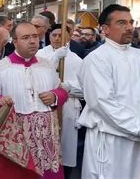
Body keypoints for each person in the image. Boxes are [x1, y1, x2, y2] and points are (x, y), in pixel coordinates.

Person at [0, 22, 68, 178]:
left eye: (35, 36)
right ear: (15, 42)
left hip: (46, 135)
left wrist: (55, 96)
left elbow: (62, 91)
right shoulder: (0, 68)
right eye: (26, 38)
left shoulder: (47, 65)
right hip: (17, 133)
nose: (33, 41)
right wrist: (0, 100)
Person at [78, 4, 140, 179]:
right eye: (122, 23)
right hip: (111, 139)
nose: (130, 27)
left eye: (131, 22)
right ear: (105, 29)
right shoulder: (97, 59)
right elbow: (103, 104)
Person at [37, 24, 83, 178]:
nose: (57, 38)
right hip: (45, 105)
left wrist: (67, 87)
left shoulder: (76, 59)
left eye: (61, 35)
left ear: (69, 37)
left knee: (66, 150)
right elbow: (36, 77)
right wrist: (55, 57)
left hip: (69, 107)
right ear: (49, 37)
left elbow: (85, 88)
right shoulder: (40, 54)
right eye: (54, 35)